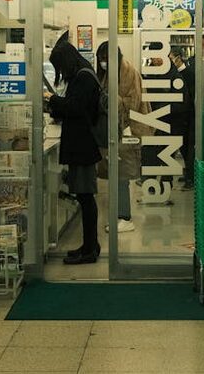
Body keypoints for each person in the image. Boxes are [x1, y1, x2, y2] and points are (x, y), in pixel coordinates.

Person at [45, 35, 102, 264]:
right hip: (82, 145)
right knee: (84, 197)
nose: (59, 72)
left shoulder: (83, 77)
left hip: (83, 146)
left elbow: (76, 108)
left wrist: (52, 99)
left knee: (86, 198)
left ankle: (90, 250)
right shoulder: (84, 74)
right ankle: (90, 246)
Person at [96, 42, 150, 233]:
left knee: (122, 175)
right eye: (100, 59)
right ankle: (120, 215)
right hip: (117, 131)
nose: (102, 63)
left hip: (128, 130)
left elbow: (133, 102)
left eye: (105, 59)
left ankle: (125, 217)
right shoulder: (109, 73)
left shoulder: (129, 73)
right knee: (117, 175)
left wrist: (112, 100)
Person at [169, 48, 195, 186]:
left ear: (178, 58)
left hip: (188, 116)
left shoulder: (189, 74)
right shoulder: (173, 74)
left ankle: (190, 177)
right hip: (178, 116)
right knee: (181, 146)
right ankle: (188, 174)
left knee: (187, 148)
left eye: (171, 58)